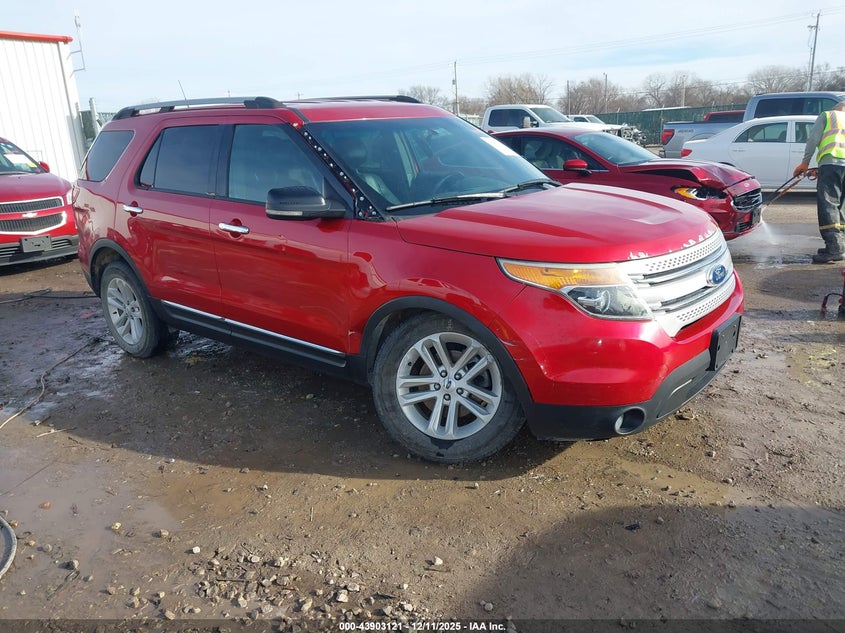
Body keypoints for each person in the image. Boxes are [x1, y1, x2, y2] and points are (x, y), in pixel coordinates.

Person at [793, 101, 845, 264]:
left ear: (837, 107)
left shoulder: (828, 115)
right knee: (841, 206)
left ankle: (834, 249)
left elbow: (813, 140)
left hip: (832, 164)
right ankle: (839, 245)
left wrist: (805, 163)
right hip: (837, 166)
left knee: (828, 205)